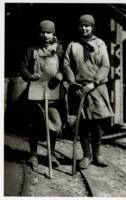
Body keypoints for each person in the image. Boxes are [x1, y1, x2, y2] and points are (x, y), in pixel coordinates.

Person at [63, 14, 113, 169]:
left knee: (97, 123)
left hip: (96, 89)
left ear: (92, 27)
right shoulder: (72, 45)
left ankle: (97, 154)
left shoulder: (100, 44)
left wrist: (94, 83)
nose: (84, 28)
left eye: (87, 26)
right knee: (82, 124)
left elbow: (105, 66)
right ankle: (86, 156)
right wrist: (73, 84)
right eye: (81, 26)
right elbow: (66, 65)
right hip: (79, 89)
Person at [20, 20, 64, 169]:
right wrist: (29, 76)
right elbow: (23, 67)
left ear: (53, 33)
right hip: (36, 91)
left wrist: (61, 74)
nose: (46, 35)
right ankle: (33, 155)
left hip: (53, 91)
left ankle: (51, 154)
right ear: (40, 33)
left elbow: (66, 66)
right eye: (43, 32)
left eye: (49, 32)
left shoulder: (59, 49)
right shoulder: (32, 49)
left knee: (54, 124)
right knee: (34, 124)